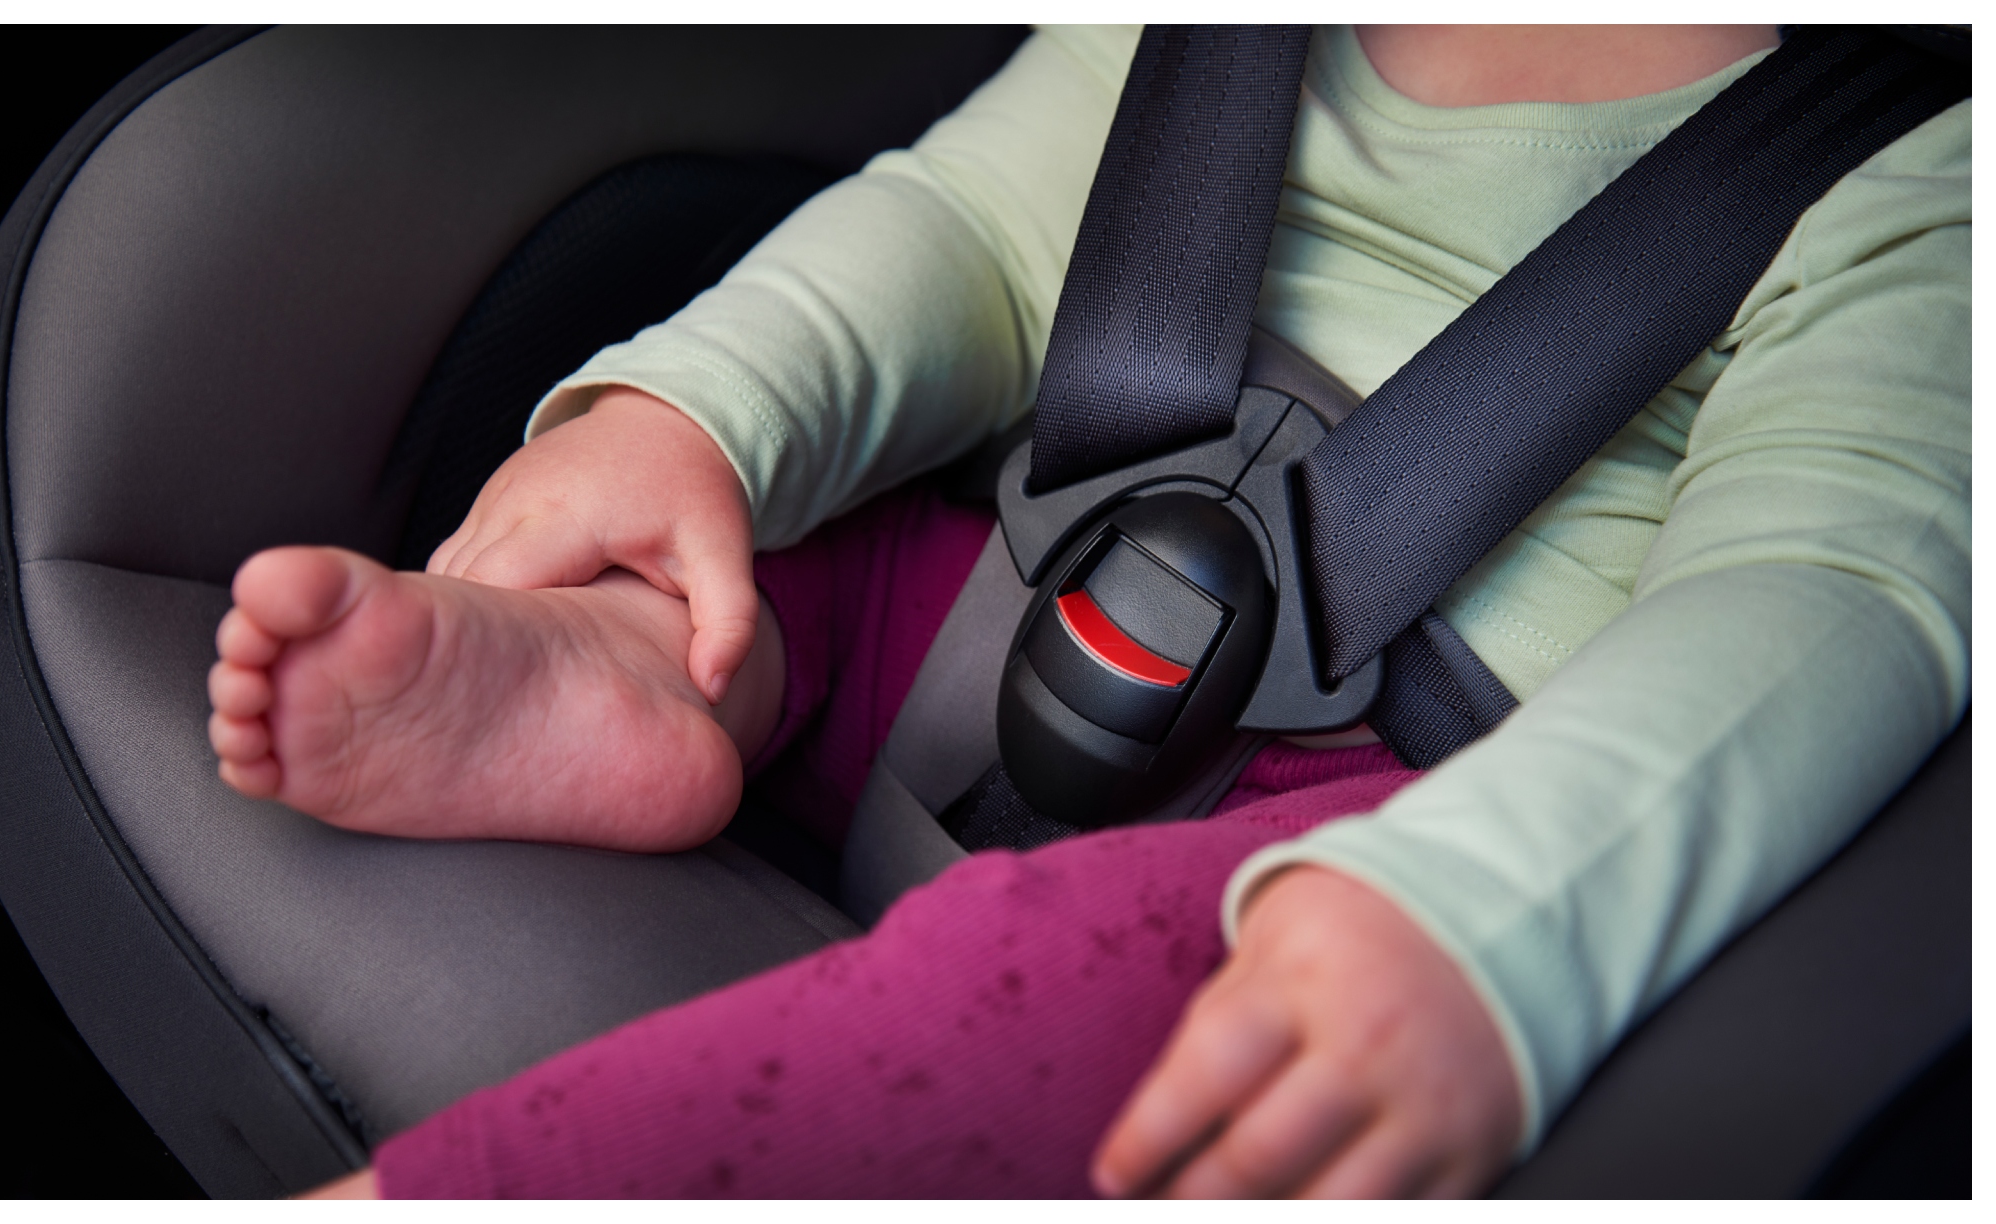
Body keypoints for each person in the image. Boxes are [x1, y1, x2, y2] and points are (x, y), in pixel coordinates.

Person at [204, 25, 1969, 1197]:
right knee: (767, 562)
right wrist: (691, 417)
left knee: (1121, 989)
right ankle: (630, 673)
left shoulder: (1925, 164)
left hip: (1389, 808)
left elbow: (1820, 594)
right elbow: (968, 230)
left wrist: (1493, 914)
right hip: (999, 582)